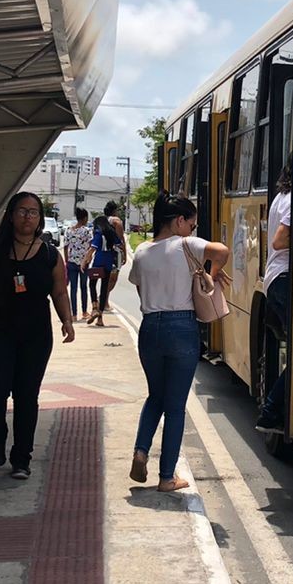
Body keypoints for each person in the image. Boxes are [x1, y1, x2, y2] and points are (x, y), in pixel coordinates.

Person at [0, 191, 75, 478]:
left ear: (40, 218)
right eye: (22, 211)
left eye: (33, 212)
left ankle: (22, 458)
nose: (28, 217)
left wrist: (67, 320)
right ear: (11, 215)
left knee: (26, 395)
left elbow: (59, 291)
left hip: (36, 333)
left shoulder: (48, 254)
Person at [127, 191, 230, 492]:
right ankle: (167, 477)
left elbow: (138, 288)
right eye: (192, 224)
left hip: (150, 328)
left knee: (154, 397)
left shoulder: (143, 252)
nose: (192, 230)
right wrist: (212, 273)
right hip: (181, 327)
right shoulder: (187, 244)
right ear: (179, 221)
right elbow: (221, 251)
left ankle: (140, 450)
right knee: (175, 407)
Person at [256, 165, 293, 434]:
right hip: (284, 279)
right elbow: (280, 241)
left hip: (277, 279)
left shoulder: (282, 196)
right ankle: (270, 413)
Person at [85, 207, 124, 326]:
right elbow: (120, 244)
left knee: (92, 284)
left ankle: (95, 308)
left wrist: (85, 261)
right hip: (109, 263)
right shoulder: (111, 233)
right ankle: (100, 318)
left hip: (98, 261)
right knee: (104, 287)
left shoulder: (98, 233)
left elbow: (93, 248)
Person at [62, 206, 94, 321]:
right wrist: (88, 258)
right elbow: (91, 246)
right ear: (84, 218)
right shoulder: (86, 231)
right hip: (83, 263)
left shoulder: (69, 230)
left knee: (73, 289)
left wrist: (66, 260)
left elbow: (65, 247)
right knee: (84, 287)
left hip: (71, 262)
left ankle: (74, 314)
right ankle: (84, 312)